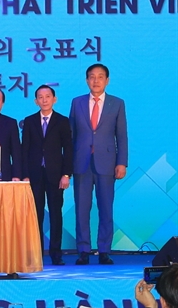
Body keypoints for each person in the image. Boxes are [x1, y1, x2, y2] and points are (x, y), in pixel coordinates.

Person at [70, 63, 128, 265]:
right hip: (81, 163)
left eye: (100, 77)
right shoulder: (77, 102)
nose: (96, 81)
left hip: (107, 163)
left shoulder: (117, 103)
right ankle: (83, 250)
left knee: (106, 209)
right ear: (87, 80)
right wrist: (68, 165)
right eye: (92, 77)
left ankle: (104, 250)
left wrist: (122, 162)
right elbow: (71, 135)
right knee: (81, 209)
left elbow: (121, 135)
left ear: (107, 80)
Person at [21, 85, 73, 266]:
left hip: (56, 175)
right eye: (40, 97)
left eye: (48, 96)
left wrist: (66, 174)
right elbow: (24, 149)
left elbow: (68, 150)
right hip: (34, 175)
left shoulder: (62, 121)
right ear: (36, 101)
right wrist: (25, 175)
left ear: (54, 99)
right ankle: (36, 253)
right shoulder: (29, 121)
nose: (44, 100)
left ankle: (56, 254)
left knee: (55, 214)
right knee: (35, 215)